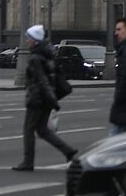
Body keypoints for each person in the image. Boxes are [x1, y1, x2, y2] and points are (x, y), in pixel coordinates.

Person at [12, 24, 78, 172]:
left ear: (35, 40)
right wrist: (52, 99)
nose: (27, 41)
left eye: (29, 38)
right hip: (46, 98)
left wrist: (52, 100)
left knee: (29, 129)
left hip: (38, 98)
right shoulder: (48, 55)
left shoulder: (35, 57)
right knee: (42, 130)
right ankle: (68, 151)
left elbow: (42, 80)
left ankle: (28, 161)